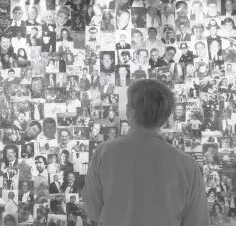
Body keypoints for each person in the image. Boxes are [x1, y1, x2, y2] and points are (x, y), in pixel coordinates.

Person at [83, 79, 210, 226]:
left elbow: (92, 211)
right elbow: (198, 221)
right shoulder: (188, 165)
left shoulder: (103, 154)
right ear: (166, 116)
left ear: (129, 112)